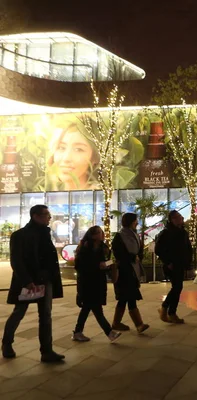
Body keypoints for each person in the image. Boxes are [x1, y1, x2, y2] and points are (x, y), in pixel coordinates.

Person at [2, 205, 65, 362]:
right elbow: (16, 261)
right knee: (19, 312)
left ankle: (47, 351)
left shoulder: (46, 233)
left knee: (46, 315)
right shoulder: (20, 235)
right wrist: (27, 281)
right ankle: (7, 343)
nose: (49, 218)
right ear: (35, 216)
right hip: (28, 281)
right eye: (46, 215)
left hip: (46, 280)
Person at [72, 226, 122, 342]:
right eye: (99, 232)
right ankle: (109, 333)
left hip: (98, 281)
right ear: (93, 235)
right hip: (88, 282)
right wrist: (97, 265)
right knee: (96, 309)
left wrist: (107, 265)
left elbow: (108, 261)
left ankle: (78, 332)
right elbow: (80, 266)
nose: (102, 234)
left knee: (87, 308)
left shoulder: (103, 248)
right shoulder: (85, 249)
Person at [111, 213, 149, 334]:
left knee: (124, 298)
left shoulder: (135, 235)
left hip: (133, 270)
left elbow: (140, 250)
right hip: (124, 272)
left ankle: (116, 323)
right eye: (135, 220)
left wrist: (138, 257)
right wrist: (133, 258)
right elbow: (118, 253)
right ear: (131, 222)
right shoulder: (119, 236)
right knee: (130, 296)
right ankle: (139, 324)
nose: (137, 222)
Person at [155, 210, 192, 324]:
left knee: (178, 287)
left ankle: (171, 312)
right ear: (172, 220)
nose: (181, 218)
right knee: (176, 287)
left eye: (180, 216)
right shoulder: (166, 233)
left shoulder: (183, 232)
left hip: (180, 264)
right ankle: (166, 308)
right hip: (171, 265)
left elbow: (187, 249)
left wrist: (188, 264)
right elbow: (159, 250)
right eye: (177, 217)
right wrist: (168, 262)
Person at [47, 124, 99, 191]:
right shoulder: (48, 191)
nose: (66, 158)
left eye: (78, 149)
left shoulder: (104, 196)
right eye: (61, 147)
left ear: (95, 158)